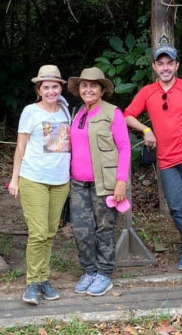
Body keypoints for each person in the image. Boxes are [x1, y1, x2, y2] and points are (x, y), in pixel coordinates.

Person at [124, 45, 182, 272]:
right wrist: (146, 130)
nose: (165, 67)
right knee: (176, 207)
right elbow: (127, 115)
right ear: (154, 66)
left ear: (176, 65)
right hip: (166, 160)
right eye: (160, 63)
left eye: (169, 63)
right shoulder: (148, 92)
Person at [9, 65, 71, 305]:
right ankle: (32, 283)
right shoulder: (30, 112)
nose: (51, 91)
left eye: (55, 86)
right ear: (39, 89)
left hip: (60, 180)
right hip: (34, 178)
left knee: (50, 233)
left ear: (61, 87)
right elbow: (21, 147)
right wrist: (15, 178)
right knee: (37, 233)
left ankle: (44, 279)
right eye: (46, 87)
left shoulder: (66, 110)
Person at [67, 67, 131, 297]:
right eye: (84, 85)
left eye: (94, 85)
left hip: (105, 182)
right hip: (78, 182)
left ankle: (104, 273)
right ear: (79, 89)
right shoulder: (77, 112)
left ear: (102, 90)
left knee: (105, 228)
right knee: (81, 229)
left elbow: (124, 147)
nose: (88, 89)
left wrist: (121, 181)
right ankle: (89, 270)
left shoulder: (112, 112)